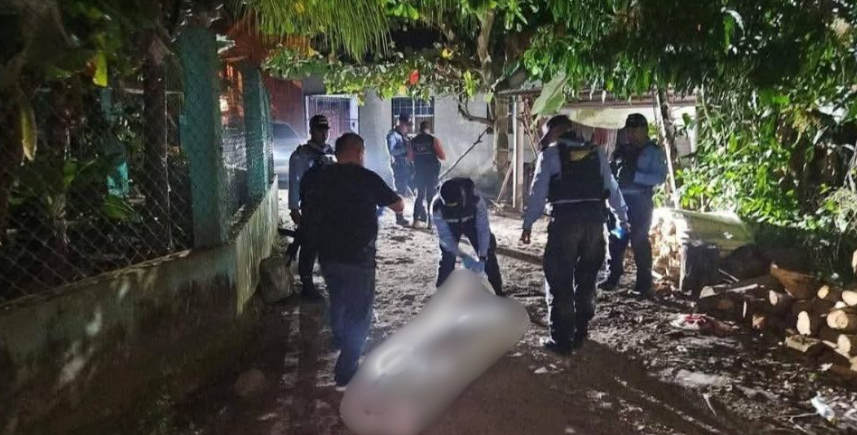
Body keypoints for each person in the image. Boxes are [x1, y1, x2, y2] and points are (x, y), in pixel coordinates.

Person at [300, 132, 405, 390]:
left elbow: (308, 208)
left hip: (328, 255)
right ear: (358, 152)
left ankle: (339, 339)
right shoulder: (366, 178)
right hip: (359, 258)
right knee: (359, 314)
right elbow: (399, 205)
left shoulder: (321, 177)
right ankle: (346, 373)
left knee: (338, 299)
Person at [521, 118, 629, 355]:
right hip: (594, 224)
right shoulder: (596, 152)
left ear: (554, 132)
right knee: (587, 279)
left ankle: (561, 340)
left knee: (559, 280)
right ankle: (581, 332)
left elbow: (537, 194)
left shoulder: (550, 155)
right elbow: (612, 188)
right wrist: (622, 218)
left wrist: (528, 224)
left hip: (565, 224)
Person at [600, 113, 668, 297]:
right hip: (619, 201)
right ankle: (612, 277)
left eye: (634, 130)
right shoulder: (622, 150)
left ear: (644, 130)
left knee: (639, 241)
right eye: (629, 130)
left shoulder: (653, 152)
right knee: (616, 238)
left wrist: (636, 176)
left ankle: (643, 284)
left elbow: (660, 177)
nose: (630, 134)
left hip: (640, 202)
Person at [288, 114, 335, 301]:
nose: (324, 134)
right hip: (311, 208)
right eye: (319, 130)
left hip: (330, 207)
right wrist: (294, 208)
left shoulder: (331, 152)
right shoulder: (301, 155)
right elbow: (294, 182)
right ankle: (307, 285)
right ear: (311, 131)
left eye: (325, 130)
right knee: (309, 244)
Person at [431, 177, 504, 296]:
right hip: (450, 225)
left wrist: (483, 256)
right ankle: (442, 295)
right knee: (447, 258)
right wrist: (464, 256)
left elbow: (483, 229)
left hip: (472, 221)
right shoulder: (436, 207)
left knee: (489, 255)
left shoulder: (475, 199)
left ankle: (497, 291)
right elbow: (445, 238)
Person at [411, 121, 446, 227]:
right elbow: (442, 156)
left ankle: (415, 221)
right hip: (431, 173)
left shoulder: (413, 141)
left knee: (419, 196)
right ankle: (430, 223)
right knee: (431, 197)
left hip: (419, 172)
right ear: (428, 129)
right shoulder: (433, 140)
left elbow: (410, 158)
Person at [387, 114, 413, 226]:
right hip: (399, 166)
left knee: (413, 189)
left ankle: (419, 213)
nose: (408, 127)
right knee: (400, 191)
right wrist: (406, 149)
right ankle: (399, 217)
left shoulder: (403, 135)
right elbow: (392, 151)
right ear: (400, 123)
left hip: (408, 166)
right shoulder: (392, 135)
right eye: (407, 125)